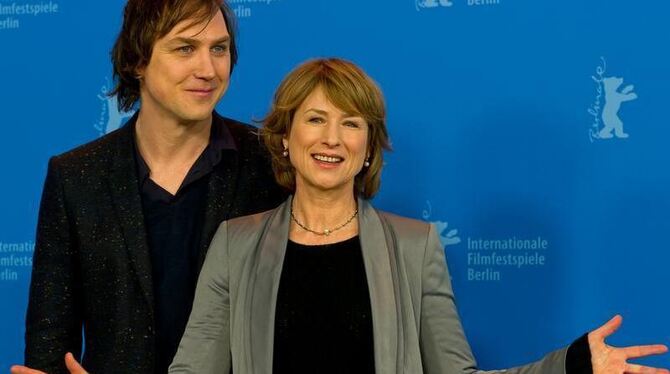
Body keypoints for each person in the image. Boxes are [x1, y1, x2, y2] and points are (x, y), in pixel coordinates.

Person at [168, 58, 669, 374]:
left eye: (351, 123)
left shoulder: (414, 246)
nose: (331, 138)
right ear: (284, 138)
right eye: (315, 119)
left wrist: (574, 365)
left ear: (367, 149)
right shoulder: (236, 244)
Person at [11, 0, 284, 373]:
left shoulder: (270, 164)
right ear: (138, 61)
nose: (207, 69)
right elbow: (50, 345)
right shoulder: (75, 177)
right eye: (185, 48)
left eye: (218, 49)